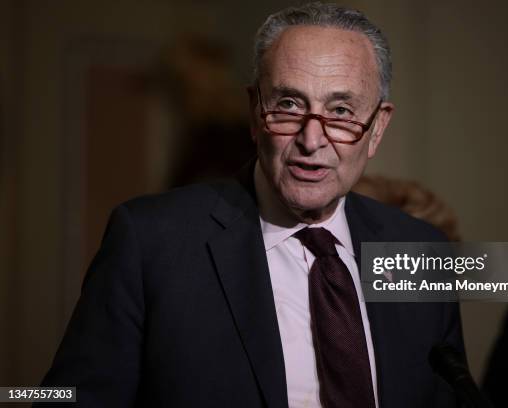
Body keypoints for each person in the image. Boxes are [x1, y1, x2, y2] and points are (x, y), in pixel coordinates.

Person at [38, 3, 464, 407]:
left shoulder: (422, 251)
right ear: (254, 112)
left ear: (377, 128)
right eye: (289, 105)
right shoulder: (151, 241)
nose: (311, 141)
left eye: (340, 111)